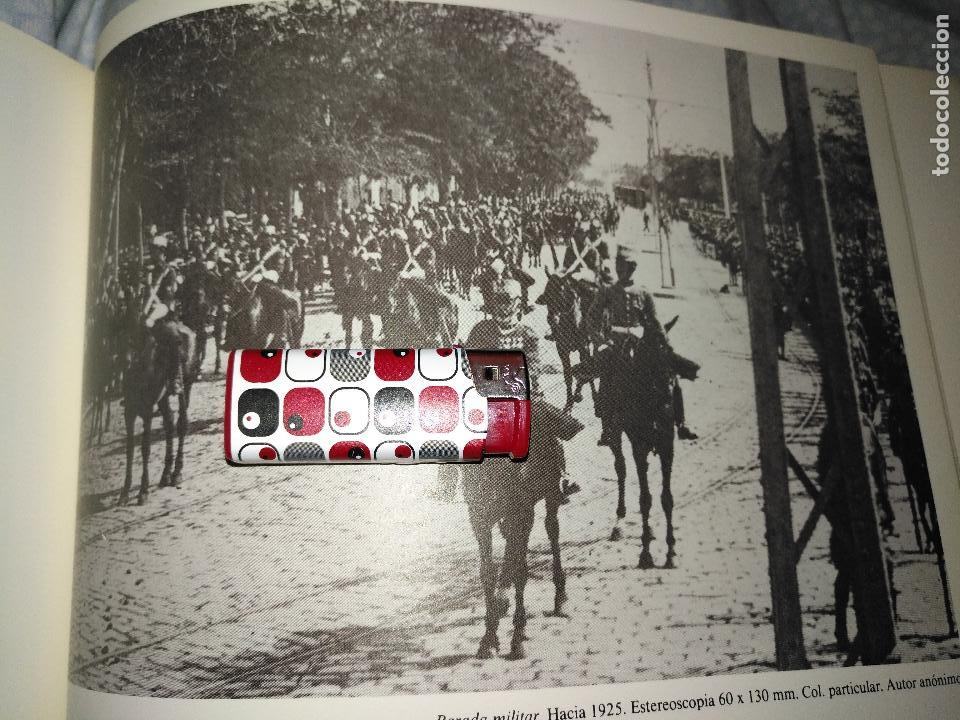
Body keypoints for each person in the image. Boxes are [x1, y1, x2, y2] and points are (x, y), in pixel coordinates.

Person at [588, 246, 699, 446]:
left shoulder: (644, 293)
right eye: (618, 265)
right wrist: (601, 342)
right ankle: (607, 429)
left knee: (668, 374)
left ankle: (680, 423)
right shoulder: (607, 292)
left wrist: (665, 343)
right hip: (616, 342)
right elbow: (591, 319)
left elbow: (655, 322)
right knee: (606, 378)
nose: (621, 270)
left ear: (632, 268)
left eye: (625, 266)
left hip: (641, 341)